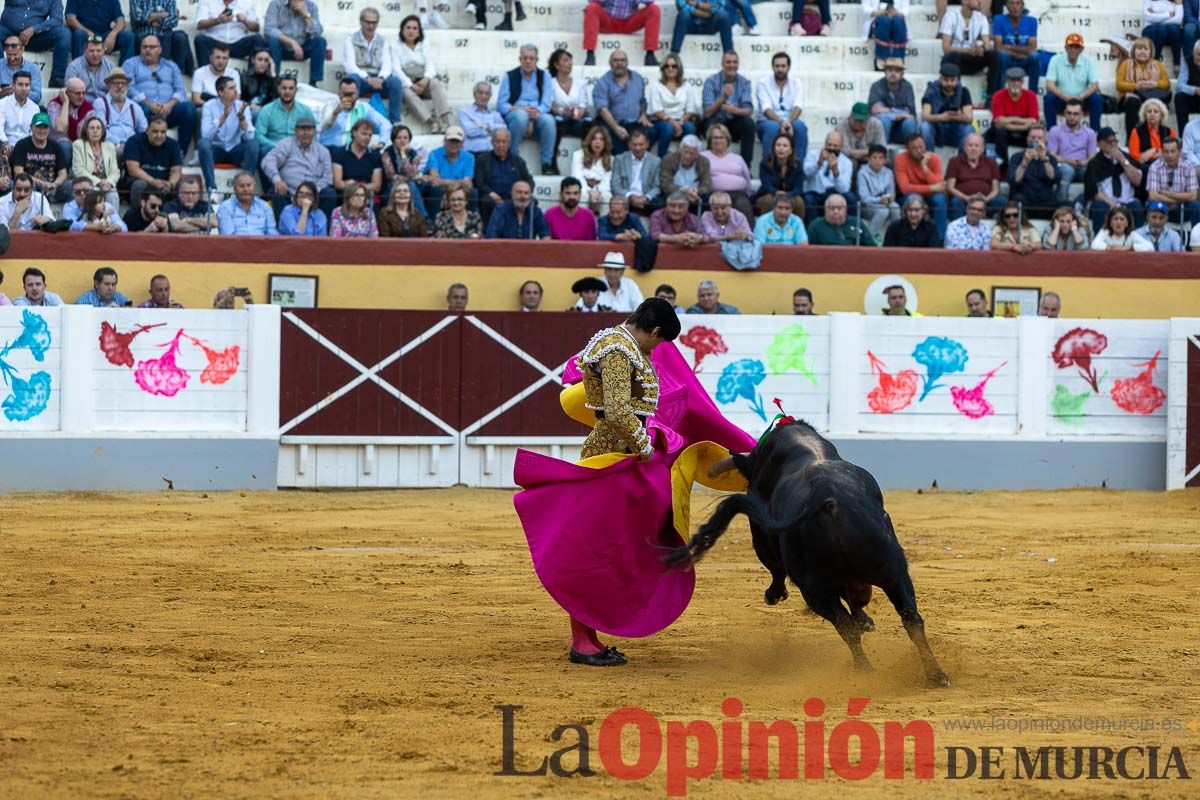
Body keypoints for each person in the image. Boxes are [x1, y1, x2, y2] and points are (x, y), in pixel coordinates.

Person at [123, 35, 194, 150]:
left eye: (152, 47)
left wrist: (169, 105)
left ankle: (180, 151)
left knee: (189, 108)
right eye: (144, 47)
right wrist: (149, 104)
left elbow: (180, 90)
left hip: (168, 111)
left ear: (160, 49)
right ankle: (143, 149)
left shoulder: (171, 66)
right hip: (145, 110)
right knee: (140, 108)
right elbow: (129, 88)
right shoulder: (131, 64)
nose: (147, 50)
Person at [261, 111, 335, 217]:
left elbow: (328, 178)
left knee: (330, 193)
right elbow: (268, 161)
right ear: (295, 130)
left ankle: (324, 230)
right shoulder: (287, 144)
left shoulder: (322, 151)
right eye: (302, 129)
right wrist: (277, 180)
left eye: (309, 129)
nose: (305, 132)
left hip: (314, 194)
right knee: (277, 191)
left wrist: (313, 191)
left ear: (314, 131)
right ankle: (282, 230)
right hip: (289, 192)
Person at [499, 44, 556, 174]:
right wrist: (522, 109)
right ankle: (513, 159)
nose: (528, 61)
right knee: (520, 116)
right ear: (520, 59)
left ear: (537, 60)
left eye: (531, 58)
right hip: (516, 113)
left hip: (536, 113)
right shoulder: (509, 76)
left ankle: (546, 163)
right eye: (525, 58)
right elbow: (502, 105)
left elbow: (546, 104)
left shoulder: (545, 76)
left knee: (548, 121)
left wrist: (536, 113)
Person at [198, 75, 258, 198]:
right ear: (220, 92)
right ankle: (212, 189)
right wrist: (223, 117)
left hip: (235, 150)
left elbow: (250, 138)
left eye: (235, 87)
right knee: (203, 143)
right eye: (231, 88)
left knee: (254, 144)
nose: (236, 91)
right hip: (216, 151)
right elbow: (206, 135)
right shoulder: (209, 106)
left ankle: (246, 186)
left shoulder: (242, 106)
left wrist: (242, 119)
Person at [341, 7, 402, 124]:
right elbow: (349, 66)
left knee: (395, 82)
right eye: (368, 22)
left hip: (379, 79)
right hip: (361, 79)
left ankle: (395, 122)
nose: (371, 26)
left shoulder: (382, 40)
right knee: (352, 80)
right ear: (361, 21)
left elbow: (387, 63)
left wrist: (381, 78)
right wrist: (367, 78)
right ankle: (348, 117)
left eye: (374, 23)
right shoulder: (350, 40)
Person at [393, 15, 449, 134]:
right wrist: (411, 85)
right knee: (406, 93)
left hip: (422, 79)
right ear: (402, 30)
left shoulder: (424, 44)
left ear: (419, 32)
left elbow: (430, 64)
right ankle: (432, 121)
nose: (411, 31)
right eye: (408, 28)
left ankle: (445, 121)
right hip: (407, 82)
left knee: (436, 84)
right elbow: (396, 69)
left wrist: (425, 79)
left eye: (415, 28)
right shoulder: (395, 46)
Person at [701, 50, 754, 167]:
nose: (732, 65)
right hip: (715, 121)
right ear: (722, 64)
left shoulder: (744, 82)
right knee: (712, 125)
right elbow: (707, 113)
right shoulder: (711, 81)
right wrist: (723, 97)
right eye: (728, 62)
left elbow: (748, 110)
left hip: (734, 123)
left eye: (735, 62)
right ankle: (710, 166)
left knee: (749, 124)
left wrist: (734, 110)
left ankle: (745, 167)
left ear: (738, 64)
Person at [0, 0, 71, 88]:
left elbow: (57, 19)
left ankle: (57, 79)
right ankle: (1, 76)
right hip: (9, 34)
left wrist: (34, 29)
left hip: (35, 38)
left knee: (64, 33)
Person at [592, 49, 649, 157]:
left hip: (635, 123)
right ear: (610, 63)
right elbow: (602, 108)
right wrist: (616, 127)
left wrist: (643, 114)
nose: (619, 63)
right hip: (613, 123)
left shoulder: (638, 79)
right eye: (616, 60)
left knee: (653, 132)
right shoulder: (603, 82)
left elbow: (642, 100)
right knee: (608, 136)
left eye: (622, 60)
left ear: (627, 62)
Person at [1086, 127, 1144, 231]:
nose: (1113, 145)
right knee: (1099, 206)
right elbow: (1094, 192)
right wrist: (1113, 204)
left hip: (1127, 201)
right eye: (1109, 142)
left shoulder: (1126, 157)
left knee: (1137, 205)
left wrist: (1123, 161)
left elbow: (1137, 181)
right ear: (1099, 144)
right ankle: (1099, 241)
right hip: (1107, 202)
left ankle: (1138, 240)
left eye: (1115, 141)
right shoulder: (1094, 163)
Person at [474, 126, 533, 225]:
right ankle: (489, 234)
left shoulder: (518, 161)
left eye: (504, 141)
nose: (500, 145)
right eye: (497, 141)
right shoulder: (482, 160)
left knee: (531, 201)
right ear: (492, 143)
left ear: (509, 144)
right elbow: (478, 182)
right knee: (486, 200)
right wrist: (491, 193)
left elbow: (529, 180)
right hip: (492, 197)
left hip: (515, 197)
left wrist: (522, 193)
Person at [754, 51, 807, 162]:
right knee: (773, 127)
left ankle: (798, 167)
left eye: (783, 66)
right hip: (767, 121)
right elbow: (766, 109)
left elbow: (798, 107)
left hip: (790, 120)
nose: (780, 69)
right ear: (773, 67)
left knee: (800, 127)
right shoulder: (763, 83)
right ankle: (768, 166)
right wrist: (781, 122)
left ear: (788, 67)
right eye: (777, 66)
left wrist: (789, 121)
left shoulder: (796, 83)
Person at [1043, 33, 1102, 130]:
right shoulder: (1055, 60)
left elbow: (1095, 86)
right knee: (1049, 98)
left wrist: (1080, 97)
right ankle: (1051, 131)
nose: (1073, 50)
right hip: (1062, 100)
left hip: (1081, 99)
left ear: (1081, 49)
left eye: (1077, 47)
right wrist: (1067, 97)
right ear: (1065, 48)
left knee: (1097, 98)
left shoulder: (1088, 61)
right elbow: (1049, 85)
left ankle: (1095, 132)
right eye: (1071, 47)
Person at [893, 132, 947, 236]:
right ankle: (909, 235)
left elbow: (939, 186)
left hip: (929, 196)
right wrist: (931, 188)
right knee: (914, 197)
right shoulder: (900, 159)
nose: (919, 151)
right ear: (908, 149)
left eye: (921, 147)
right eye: (914, 148)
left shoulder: (934, 158)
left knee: (940, 199)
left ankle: (939, 239)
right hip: (908, 196)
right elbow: (905, 188)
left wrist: (925, 168)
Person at [119, 115, 180, 206]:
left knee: (180, 185)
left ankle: (172, 213)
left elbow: (176, 171)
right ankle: (137, 214)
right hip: (141, 183)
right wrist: (153, 182)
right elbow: (133, 170)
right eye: (155, 131)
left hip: (163, 184)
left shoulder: (173, 145)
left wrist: (170, 183)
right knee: (140, 184)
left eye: (163, 132)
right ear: (147, 130)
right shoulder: (134, 141)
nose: (159, 135)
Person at [1117, 37, 1171, 137]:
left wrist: (1155, 84)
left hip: (1151, 97)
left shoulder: (1158, 64)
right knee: (1132, 101)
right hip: (1131, 98)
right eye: (1139, 49)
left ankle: (1158, 137)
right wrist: (1135, 86)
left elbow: (1167, 84)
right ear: (1134, 51)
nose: (1142, 52)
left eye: (1146, 49)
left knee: (1155, 106)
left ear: (1150, 52)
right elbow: (1119, 84)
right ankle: (1131, 139)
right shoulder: (1125, 64)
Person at [263, 0, 324, 87]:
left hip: (302, 49)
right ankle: (274, 80)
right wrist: (292, 42)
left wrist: (306, 15)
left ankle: (313, 82)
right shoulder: (276, 4)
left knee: (320, 42)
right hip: (281, 49)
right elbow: (269, 29)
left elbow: (318, 32)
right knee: (272, 41)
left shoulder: (311, 6)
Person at [319, 77, 391, 151]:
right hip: (330, 150)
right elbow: (325, 124)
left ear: (357, 94)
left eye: (352, 94)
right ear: (339, 94)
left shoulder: (364, 107)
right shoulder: (330, 106)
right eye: (346, 94)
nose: (349, 97)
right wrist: (336, 112)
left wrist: (382, 143)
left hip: (352, 154)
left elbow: (385, 124)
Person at [1047, 98, 1097, 204]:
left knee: (1093, 172)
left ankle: (1088, 204)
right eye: (1069, 113)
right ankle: (1061, 204)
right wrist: (1069, 161)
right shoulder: (1055, 131)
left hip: (1082, 165)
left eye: (1075, 114)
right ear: (1064, 113)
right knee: (1067, 170)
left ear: (1081, 115)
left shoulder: (1090, 133)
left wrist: (1083, 162)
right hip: (1063, 164)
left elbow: (1092, 156)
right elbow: (1052, 155)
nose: (1072, 117)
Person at [583, 0, 661, 68]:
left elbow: (650, 2)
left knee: (654, 9)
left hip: (629, 22)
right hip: (608, 21)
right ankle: (590, 54)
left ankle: (650, 55)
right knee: (591, 8)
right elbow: (591, 1)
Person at [12, 111, 69, 202]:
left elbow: (63, 173)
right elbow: (19, 173)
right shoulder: (22, 145)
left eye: (45, 127)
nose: (42, 131)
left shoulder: (55, 146)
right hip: (31, 184)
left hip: (53, 185)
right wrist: (43, 184)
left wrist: (54, 184)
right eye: (38, 127)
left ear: (49, 129)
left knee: (73, 185)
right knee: (19, 186)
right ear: (31, 127)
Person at [648, 52, 696, 157]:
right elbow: (656, 111)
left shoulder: (687, 85)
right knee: (668, 128)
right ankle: (662, 159)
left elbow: (690, 109)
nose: (670, 68)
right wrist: (674, 123)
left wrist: (681, 121)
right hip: (662, 121)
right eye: (667, 66)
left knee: (690, 128)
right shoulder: (656, 85)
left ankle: (687, 158)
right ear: (663, 68)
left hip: (682, 119)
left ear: (679, 68)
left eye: (674, 66)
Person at [193, 0, 265, 70]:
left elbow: (256, 28)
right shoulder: (206, 1)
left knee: (258, 39)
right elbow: (199, 24)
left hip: (238, 43)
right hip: (215, 43)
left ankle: (252, 78)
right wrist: (217, 20)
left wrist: (245, 21)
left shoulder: (247, 2)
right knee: (200, 40)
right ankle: (206, 77)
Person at [946, 131, 1003, 219]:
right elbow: (950, 188)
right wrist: (967, 198)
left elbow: (996, 189)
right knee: (955, 202)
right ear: (965, 148)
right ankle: (958, 229)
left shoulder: (992, 162)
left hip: (986, 201)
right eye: (970, 145)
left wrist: (986, 199)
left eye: (976, 146)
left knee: (1002, 201)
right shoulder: (954, 161)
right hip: (963, 200)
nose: (973, 148)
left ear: (982, 149)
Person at [701, 122, 752, 218]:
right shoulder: (703, 156)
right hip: (713, 194)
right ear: (709, 140)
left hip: (737, 194)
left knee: (743, 204)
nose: (718, 140)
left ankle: (747, 232)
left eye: (721, 137)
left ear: (727, 140)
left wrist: (749, 193)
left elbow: (747, 177)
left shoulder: (737, 158)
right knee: (718, 205)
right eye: (715, 138)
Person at [988, 67, 1037, 166]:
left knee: (1035, 131)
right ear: (1007, 81)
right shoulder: (998, 96)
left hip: (1024, 133)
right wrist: (1022, 122)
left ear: (1022, 82)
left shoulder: (1031, 96)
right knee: (998, 130)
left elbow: (1033, 120)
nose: (1015, 83)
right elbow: (999, 121)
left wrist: (1009, 120)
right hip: (1005, 133)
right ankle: (1003, 166)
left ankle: (1031, 165)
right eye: (1012, 80)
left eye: (1018, 80)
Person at [1146, 135, 1200, 224]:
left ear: (1179, 152)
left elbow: (1193, 195)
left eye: (1172, 151)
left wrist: (1168, 193)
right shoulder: (1155, 167)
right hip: (1161, 207)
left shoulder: (1188, 166)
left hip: (1180, 208)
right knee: (1152, 205)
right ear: (1162, 152)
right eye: (1166, 152)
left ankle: (1196, 236)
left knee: (1196, 206)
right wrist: (1179, 198)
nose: (1169, 155)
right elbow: (1153, 196)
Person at [421, 125, 475, 213]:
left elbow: (467, 183)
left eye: (457, 141)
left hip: (457, 190)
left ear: (462, 143)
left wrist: (449, 191)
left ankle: (471, 222)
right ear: (444, 141)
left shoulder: (469, 157)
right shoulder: (434, 154)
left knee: (473, 192)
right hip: (439, 190)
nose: (454, 144)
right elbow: (434, 181)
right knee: (435, 190)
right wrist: (454, 186)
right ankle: (433, 223)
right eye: (451, 141)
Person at [921, 61, 974, 150]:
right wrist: (942, 117)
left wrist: (957, 116)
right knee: (925, 127)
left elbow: (969, 118)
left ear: (957, 80)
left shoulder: (964, 91)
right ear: (940, 79)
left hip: (955, 130)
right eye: (946, 80)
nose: (949, 83)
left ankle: (962, 162)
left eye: (952, 80)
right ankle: (930, 160)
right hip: (936, 130)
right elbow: (925, 116)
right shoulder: (931, 90)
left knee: (969, 129)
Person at [1009, 124, 1059, 217]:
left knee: (1066, 205)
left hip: (1046, 202)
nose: (1036, 140)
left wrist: (1044, 158)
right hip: (1025, 201)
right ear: (1027, 139)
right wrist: (1024, 163)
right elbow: (1014, 180)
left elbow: (1054, 178)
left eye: (1039, 138)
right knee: (1017, 200)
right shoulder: (1017, 157)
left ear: (1045, 140)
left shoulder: (1051, 159)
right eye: (1033, 137)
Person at [548, 48, 590, 158]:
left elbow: (583, 103)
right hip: (560, 118)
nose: (569, 63)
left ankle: (588, 160)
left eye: (570, 60)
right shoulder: (550, 83)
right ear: (556, 65)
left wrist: (579, 112)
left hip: (576, 119)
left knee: (590, 126)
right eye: (565, 60)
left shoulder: (580, 82)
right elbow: (550, 103)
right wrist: (561, 112)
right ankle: (551, 162)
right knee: (555, 124)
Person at [93, 67, 144, 156]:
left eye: (123, 83)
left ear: (127, 86)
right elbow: (100, 130)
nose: (120, 86)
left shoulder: (135, 107)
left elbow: (144, 130)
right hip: (109, 146)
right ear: (108, 85)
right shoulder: (100, 103)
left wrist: (132, 145)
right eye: (116, 83)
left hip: (132, 147)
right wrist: (119, 144)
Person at [128, 0, 189, 74]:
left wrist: (151, 19)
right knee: (142, 39)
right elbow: (136, 17)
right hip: (143, 34)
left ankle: (177, 74)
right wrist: (162, 14)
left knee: (181, 37)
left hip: (164, 34)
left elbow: (173, 19)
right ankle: (145, 72)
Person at [991, 0, 1039, 95]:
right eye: (1011, 3)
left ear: (1022, 6)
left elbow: (1032, 48)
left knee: (1035, 56)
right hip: (1008, 60)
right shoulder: (999, 20)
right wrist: (1018, 53)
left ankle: (1033, 94)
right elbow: (998, 47)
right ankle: (1000, 94)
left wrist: (1009, 47)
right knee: (1002, 56)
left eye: (1018, 3)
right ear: (1006, 6)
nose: (1015, 6)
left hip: (1024, 60)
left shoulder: (1031, 21)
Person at [380, 123, 428, 216]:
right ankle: (424, 217)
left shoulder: (413, 153)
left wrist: (403, 155)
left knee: (428, 185)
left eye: (405, 138)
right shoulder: (387, 153)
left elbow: (410, 174)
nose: (402, 140)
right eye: (399, 138)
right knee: (409, 185)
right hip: (391, 185)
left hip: (409, 182)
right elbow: (391, 175)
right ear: (393, 140)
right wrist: (408, 179)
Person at [611, 127, 661, 214]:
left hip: (646, 200)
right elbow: (615, 185)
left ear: (647, 144)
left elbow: (657, 186)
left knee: (662, 204)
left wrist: (646, 197)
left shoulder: (656, 161)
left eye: (641, 144)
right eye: (634, 144)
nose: (638, 148)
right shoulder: (620, 159)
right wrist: (630, 197)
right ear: (629, 145)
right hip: (626, 198)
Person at [45, 76, 94, 166]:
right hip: (56, 146)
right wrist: (65, 102)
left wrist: (76, 143)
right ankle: (64, 177)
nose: (81, 96)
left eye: (83, 93)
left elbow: (90, 134)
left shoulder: (88, 108)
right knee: (65, 145)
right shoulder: (55, 105)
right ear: (66, 92)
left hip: (80, 145)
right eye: (77, 93)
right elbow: (60, 127)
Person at [71, 115, 118, 209]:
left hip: (106, 184)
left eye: (98, 128)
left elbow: (115, 171)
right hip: (87, 183)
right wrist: (99, 182)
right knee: (95, 191)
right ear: (86, 131)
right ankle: (93, 220)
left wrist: (109, 183)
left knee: (113, 194)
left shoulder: (110, 147)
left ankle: (114, 220)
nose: (95, 131)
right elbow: (79, 170)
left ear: (102, 131)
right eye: (92, 128)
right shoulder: (78, 145)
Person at [868, 57, 917, 145]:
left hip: (901, 129)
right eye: (890, 70)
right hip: (882, 129)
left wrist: (886, 110)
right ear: (885, 72)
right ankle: (881, 154)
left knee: (910, 123)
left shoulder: (907, 87)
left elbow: (910, 114)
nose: (893, 73)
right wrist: (897, 114)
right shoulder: (876, 86)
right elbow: (875, 110)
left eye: (897, 71)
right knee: (884, 121)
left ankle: (910, 156)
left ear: (902, 74)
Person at [332, 118, 383, 200]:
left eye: (370, 135)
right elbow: (337, 183)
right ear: (354, 133)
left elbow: (377, 186)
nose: (367, 137)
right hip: (346, 193)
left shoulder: (375, 156)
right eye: (364, 134)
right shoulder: (339, 152)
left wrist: (358, 186)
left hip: (367, 194)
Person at [253, 73, 301, 157]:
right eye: (284, 88)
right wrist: (277, 146)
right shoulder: (267, 110)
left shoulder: (305, 111)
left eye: (291, 88)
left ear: (296, 90)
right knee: (264, 151)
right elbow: (258, 136)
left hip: (297, 151)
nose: (287, 91)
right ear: (278, 89)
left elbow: (312, 136)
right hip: (274, 149)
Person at [217, 170, 278, 235]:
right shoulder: (226, 207)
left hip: (262, 244)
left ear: (254, 187)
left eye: (249, 185)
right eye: (241, 186)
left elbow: (272, 233)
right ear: (234, 188)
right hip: (236, 244)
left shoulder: (264, 206)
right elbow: (228, 235)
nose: (246, 189)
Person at [756, 132, 803, 216]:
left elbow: (799, 188)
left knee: (799, 202)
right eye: (778, 145)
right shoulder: (765, 163)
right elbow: (766, 185)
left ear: (791, 150)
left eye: (785, 146)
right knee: (768, 201)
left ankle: (797, 228)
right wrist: (777, 193)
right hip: (769, 195)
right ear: (774, 148)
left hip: (789, 196)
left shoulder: (797, 165)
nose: (781, 148)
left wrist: (788, 195)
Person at [659, 133, 710, 210]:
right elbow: (665, 183)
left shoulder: (703, 161)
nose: (687, 156)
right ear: (680, 149)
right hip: (675, 192)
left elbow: (707, 184)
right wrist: (683, 191)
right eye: (685, 152)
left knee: (708, 199)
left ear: (697, 154)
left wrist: (697, 191)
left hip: (695, 194)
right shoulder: (669, 159)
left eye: (691, 153)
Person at [857, 144, 898, 239]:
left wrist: (889, 198)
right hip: (867, 206)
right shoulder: (862, 173)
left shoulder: (888, 172)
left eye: (881, 158)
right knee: (883, 211)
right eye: (874, 157)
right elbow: (864, 198)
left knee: (895, 207)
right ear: (869, 159)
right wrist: (880, 199)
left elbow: (892, 193)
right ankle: (869, 238)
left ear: (885, 160)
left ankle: (897, 236)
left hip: (884, 202)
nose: (877, 161)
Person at [573, 125, 614, 213]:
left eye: (601, 139)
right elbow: (577, 177)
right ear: (590, 141)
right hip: (584, 189)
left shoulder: (611, 159)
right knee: (583, 195)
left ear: (605, 142)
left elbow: (607, 181)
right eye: (594, 139)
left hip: (601, 190)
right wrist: (590, 192)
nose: (597, 142)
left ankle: (604, 225)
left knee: (607, 196)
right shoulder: (578, 155)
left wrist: (597, 192)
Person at [807, 192, 875, 246]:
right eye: (832, 208)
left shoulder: (857, 223)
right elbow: (807, 252)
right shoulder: (815, 227)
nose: (836, 211)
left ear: (845, 209)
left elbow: (872, 248)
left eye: (839, 208)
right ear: (825, 209)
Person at [458, 80, 506, 155]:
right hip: (473, 153)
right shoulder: (464, 112)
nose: (484, 96)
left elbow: (504, 129)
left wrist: (485, 126)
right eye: (480, 93)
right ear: (474, 94)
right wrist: (491, 131)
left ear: (490, 96)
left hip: (493, 154)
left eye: (487, 94)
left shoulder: (495, 115)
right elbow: (470, 132)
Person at [65, 32, 115, 101]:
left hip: (105, 104)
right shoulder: (74, 67)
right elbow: (70, 92)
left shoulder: (110, 66)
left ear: (104, 51)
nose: (95, 54)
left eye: (98, 51)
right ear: (85, 51)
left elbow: (115, 90)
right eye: (91, 51)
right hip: (82, 103)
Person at [546, 176, 597, 241]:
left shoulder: (588, 216)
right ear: (561, 194)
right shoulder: (550, 215)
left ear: (580, 195)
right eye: (568, 193)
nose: (572, 197)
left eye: (575, 193)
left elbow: (591, 245)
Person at [191, 41, 239, 105]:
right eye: (217, 57)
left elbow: (236, 99)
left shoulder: (234, 74)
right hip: (206, 108)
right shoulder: (199, 72)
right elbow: (196, 100)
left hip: (227, 109)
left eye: (224, 58)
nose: (221, 62)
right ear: (210, 58)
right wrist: (214, 107)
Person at [836, 102, 884, 167]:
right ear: (850, 115)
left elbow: (881, 148)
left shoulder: (876, 124)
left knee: (883, 161)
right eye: (856, 119)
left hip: (870, 158)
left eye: (861, 120)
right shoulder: (842, 125)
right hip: (850, 158)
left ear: (868, 118)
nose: (858, 123)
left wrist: (870, 156)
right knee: (851, 162)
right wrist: (869, 152)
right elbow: (844, 150)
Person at [0, 34, 43, 104]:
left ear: (22, 50)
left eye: (15, 55)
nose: (12, 58)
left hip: (26, 107)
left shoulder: (33, 68)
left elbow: (37, 97)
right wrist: (2, 93)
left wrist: (17, 91)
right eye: (9, 55)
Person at [0, 69, 38, 143]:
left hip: (26, 146)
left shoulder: (35, 108)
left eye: (27, 85)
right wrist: (5, 142)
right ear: (13, 86)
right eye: (20, 85)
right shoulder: (2, 104)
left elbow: (33, 133)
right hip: (5, 143)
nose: (24, 89)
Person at [1144, 0, 1185, 66]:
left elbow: (1178, 20)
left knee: (1174, 29)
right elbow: (1148, 17)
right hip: (1150, 30)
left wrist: (1156, 16)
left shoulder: (1177, 1)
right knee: (1161, 29)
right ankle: (1155, 62)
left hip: (1169, 33)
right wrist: (1168, 14)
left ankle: (1177, 63)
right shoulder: (1149, 1)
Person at [240, 47, 276, 118]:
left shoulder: (270, 77)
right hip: (248, 112)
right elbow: (239, 100)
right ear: (253, 60)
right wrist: (250, 106)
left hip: (266, 112)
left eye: (266, 60)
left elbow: (277, 99)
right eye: (260, 59)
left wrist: (273, 73)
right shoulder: (244, 77)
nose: (263, 63)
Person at [1177, 38, 1200, 132]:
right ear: (1194, 52)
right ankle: (1183, 135)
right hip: (1193, 98)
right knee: (1180, 97)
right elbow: (1179, 86)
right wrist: (1195, 90)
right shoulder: (1186, 60)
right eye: (1199, 54)